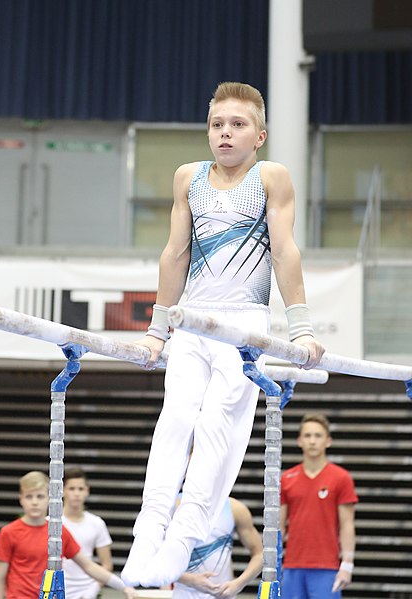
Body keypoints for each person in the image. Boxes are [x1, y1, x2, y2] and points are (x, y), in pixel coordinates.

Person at [121, 81, 325, 589]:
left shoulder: (270, 177)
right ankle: (148, 535)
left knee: (215, 427)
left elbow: (284, 252)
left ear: (260, 135)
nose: (225, 133)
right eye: (217, 124)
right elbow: (175, 254)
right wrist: (157, 330)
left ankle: (184, 537)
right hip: (192, 319)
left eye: (237, 125)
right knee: (173, 423)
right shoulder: (187, 178)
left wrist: (300, 326)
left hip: (244, 323)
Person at [0, 470, 130, 599]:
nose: (34, 502)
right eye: (29, 496)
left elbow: (89, 566)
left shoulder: (59, 531)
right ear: (21, 498)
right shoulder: (9, 532)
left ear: (50, 498)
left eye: (40, 496)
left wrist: (124, 587)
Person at [280, 413, 358, 599]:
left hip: (326, 566)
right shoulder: (286, 478)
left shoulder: (341, 478)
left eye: (318, 436)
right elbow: (279, 526)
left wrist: (347, 564)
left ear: (328, 441)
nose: (312, 441)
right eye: (307, 436)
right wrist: (270, 564)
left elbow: (347, 525)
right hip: (292, 565)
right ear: (299, 441)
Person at [172, 496, 263, 599]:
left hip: (223, 594)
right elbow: (153, 558)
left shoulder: (235, 508)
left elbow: (260, 554)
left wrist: (238, 584)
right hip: (184, 594)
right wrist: (190, 580)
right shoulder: (174, 506)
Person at [62, 467, 114, 599]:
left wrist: (93, 589)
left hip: (87, 590)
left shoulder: (97, 523)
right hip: (57, 590)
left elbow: (107, 564)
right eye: (72, 489)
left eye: (81, 489)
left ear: (87, 491)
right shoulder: (51, 523)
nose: (76, 493)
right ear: (62, 491)